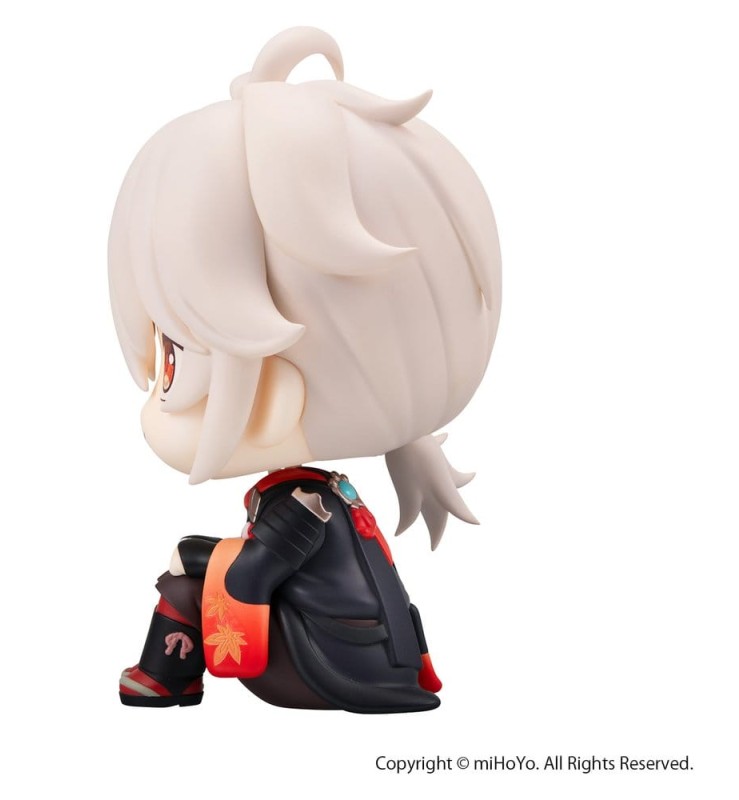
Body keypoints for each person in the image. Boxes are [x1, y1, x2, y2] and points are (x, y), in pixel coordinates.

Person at [109, 26, 501, 713]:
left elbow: (250, 580)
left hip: (333, 662)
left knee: (186, 577)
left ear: (273, 394)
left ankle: (164, 677)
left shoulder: (303, 502)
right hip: (361, 650)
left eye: (175, 356)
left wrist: (193, 566)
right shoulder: (326, 493)